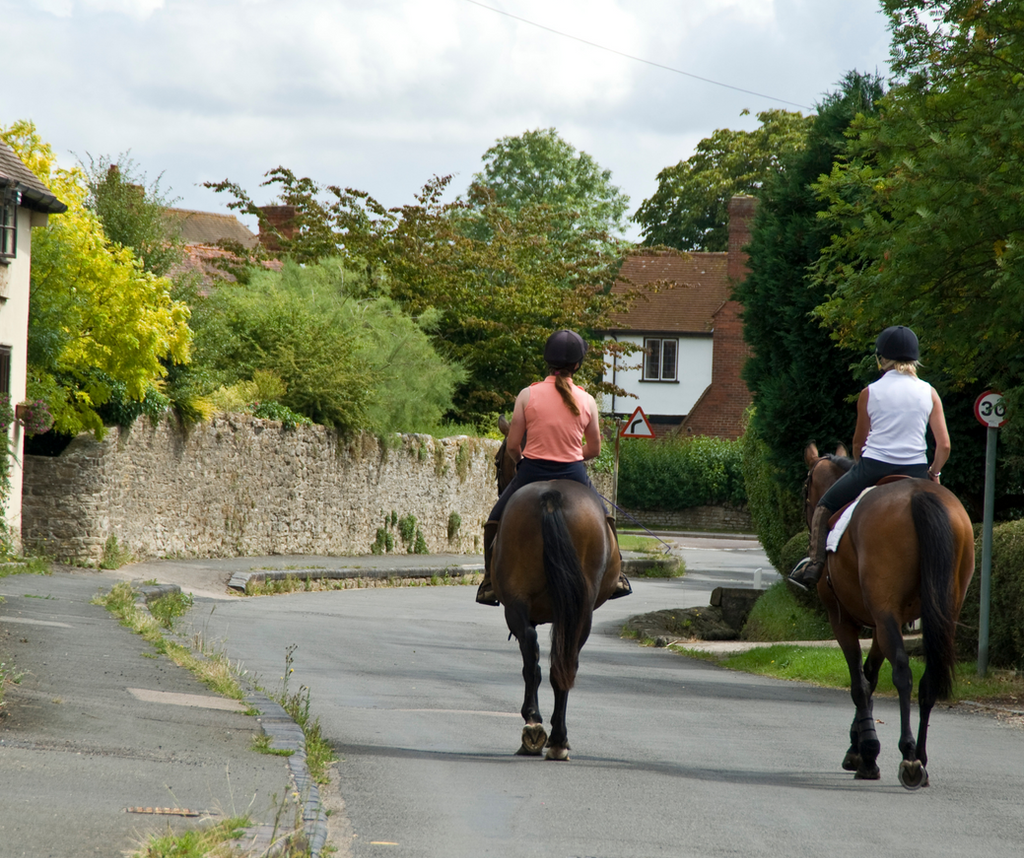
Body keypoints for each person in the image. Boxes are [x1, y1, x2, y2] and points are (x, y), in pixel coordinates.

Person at [788, 325, 950, 593]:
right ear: (914, 358)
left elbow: (858, 442)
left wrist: (859, 462)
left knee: (824, 506)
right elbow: (943, 445)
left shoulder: (870, 392)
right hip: (917, 471)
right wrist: (934, 472)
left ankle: (814, 566)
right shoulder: (929, 392)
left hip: (873, 467)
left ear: (881, 359)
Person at [476, 329, 632, 606]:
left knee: (494, 519)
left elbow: (512, 446)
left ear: (547, 361)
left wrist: (525, 460)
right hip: (573, 473)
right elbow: (594, 449)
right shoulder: (587, 400)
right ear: (577, 365)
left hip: (531, 472)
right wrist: (570, 456)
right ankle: (618, 576)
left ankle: (489, 581)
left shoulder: (527, 394)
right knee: (605, 519)